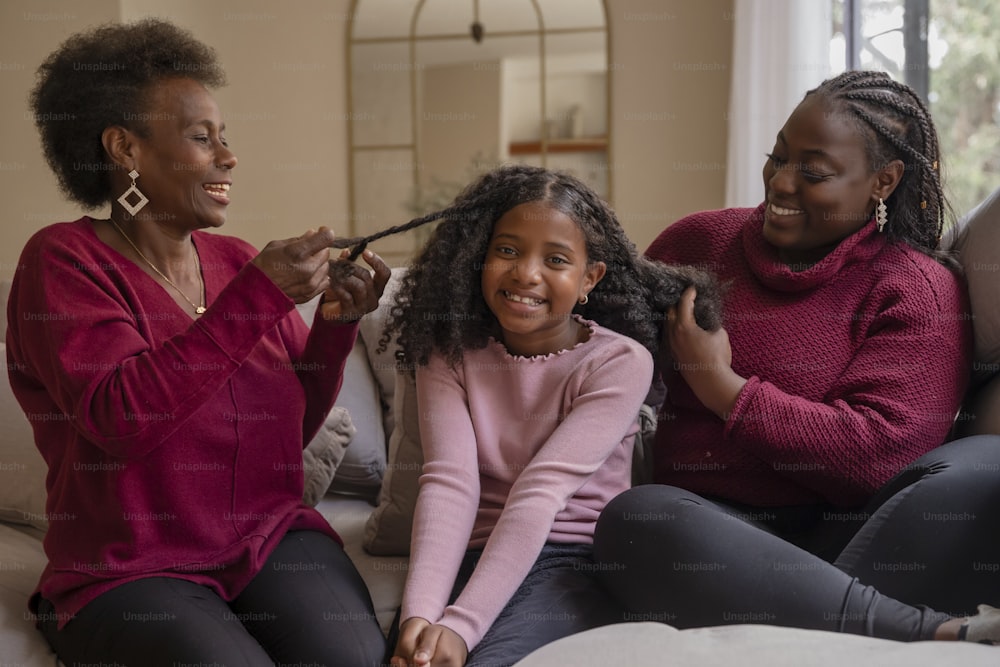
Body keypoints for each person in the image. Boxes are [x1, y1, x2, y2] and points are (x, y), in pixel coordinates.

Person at [7, 18, 391, 666]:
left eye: (225, 137)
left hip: (268, 536)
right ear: (125, 148)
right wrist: (255, 298)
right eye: (200, 137)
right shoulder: (64, 260)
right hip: (130, 566)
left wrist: (335, 325)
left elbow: (285, 427)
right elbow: (119, 415)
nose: (228, 156)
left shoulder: (238, 259)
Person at [593, 70, 1000, 645]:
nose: (781, 183)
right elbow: (598, 355)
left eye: (813, 171)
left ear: (883, 181)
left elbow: (879, 456)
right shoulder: (694, 244)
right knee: (637, 519)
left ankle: (838, 618)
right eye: (776, 157)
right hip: (709, 534)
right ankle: (922, 632)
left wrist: (721, 388)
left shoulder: (916, 288)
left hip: (855, 542)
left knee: (985, 462)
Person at [361, 164, 715, 667]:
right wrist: (421, 614)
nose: (526, 273)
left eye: (555, 259)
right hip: (472, 553)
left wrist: (460, 627)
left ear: (589, 278)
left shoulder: (617, 363)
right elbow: (447, 483)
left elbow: (540, 492)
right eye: (507, 250)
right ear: (479, 258)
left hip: (571, 559)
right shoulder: (449, 354)